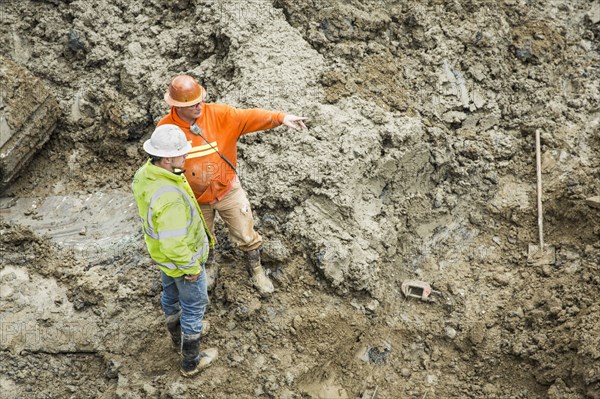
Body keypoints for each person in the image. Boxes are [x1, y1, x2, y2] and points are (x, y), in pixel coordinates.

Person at [157, 75, 307, 296]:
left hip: (226, 187)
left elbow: (249, 116)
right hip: (193, 197)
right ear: (177, 106)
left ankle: (256, 269)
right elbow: (160, 165)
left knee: (245, 231)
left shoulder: (220, 115)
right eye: (192, 104)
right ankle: (210, 265)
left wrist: (280, 117)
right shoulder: (166, 129)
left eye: (200, 100)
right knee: (203, 237)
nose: (199, 106)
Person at [131, 124, 218, 377]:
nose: (185, 157)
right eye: (181, 153)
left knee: (170, 296)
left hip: (164, 258)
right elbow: (174, 243)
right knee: (193, 305)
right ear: (167, 158)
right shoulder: (170, 198)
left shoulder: (146, 174)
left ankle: (176, 335)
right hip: (182, 260)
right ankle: (191, 361)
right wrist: (191, 268)